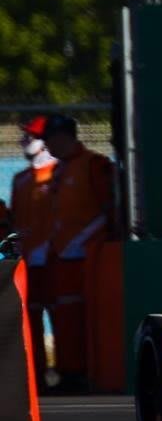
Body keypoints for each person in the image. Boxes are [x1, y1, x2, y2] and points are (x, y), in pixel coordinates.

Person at [43, 115, 120, 391]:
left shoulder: (93, 165)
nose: (46, 145)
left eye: (50, 138)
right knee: (63, 318)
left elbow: (108, 210)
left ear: (64, 136)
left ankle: (83, 372)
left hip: (85, 257)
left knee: (81, 317)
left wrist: (84, 240)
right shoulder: (59, 171)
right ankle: (68, 372)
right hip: (62, 257)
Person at [10, 119, 58, 390]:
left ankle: (69, 372)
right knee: (31, 318)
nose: (26, 140)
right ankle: (37, 373)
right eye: (25, 136)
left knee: (63, 318)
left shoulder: (58, 174)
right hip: (27, 262)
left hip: (55, 258)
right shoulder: (20, 180)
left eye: (32, 136)